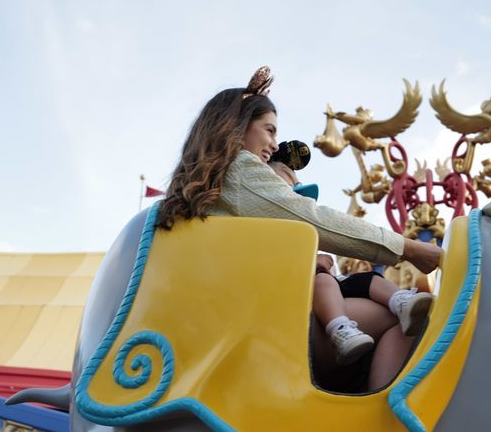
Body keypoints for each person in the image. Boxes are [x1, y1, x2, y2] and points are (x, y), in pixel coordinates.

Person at [159, 67, 443, 389]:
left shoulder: (200, 189)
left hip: (218, 321)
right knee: (407, 320)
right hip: (264, 326)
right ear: (236, 126)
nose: (272, 144)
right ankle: (381, 424)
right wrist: (408, 248)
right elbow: (312, 219)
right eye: (269, 130)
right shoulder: (240, 169)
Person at [269, 146, 434, 365]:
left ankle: (400, 301)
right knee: (324, 279)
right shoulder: (269, 233)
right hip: (301, 304)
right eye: (285, 192)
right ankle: (339, 327)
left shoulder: (301, 232)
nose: (293, 203)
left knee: (367, 280)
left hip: (331, 290)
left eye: (294, 194)